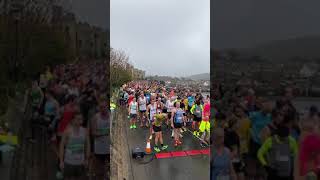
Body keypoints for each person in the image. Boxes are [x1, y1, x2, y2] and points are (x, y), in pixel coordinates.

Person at [59, 113, 90, 180]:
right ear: (73, 120)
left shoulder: (85, 131)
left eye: (81, 119)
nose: (80, 120)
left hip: (81, 162)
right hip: (69, 161)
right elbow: (61, 146)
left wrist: (87, 159)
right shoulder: (67, 131)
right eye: (78, 119)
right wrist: (61, 161)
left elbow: (87, 145)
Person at [91, 100, 110, 179]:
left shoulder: (111, 116)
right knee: (100, 169)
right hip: (99, 148)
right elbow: (93, 133)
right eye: (101, 107)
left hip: (109, 147)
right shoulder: (96, 118)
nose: (103, 109)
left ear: (107, 107)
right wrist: (104, 133)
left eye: (104, 107)